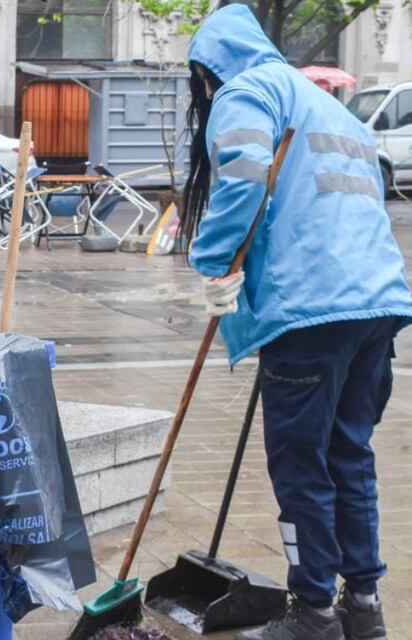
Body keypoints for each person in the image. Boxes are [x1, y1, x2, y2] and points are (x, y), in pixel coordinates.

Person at [182, 6, 412, 640]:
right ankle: (362, 606)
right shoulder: (327, 106)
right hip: (374, 303)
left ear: (205, 71)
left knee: (302, 466)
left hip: (310, 308)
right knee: (349, 455)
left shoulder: (245, 91)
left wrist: (214, 264)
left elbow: (243, 179)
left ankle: (313, 611)